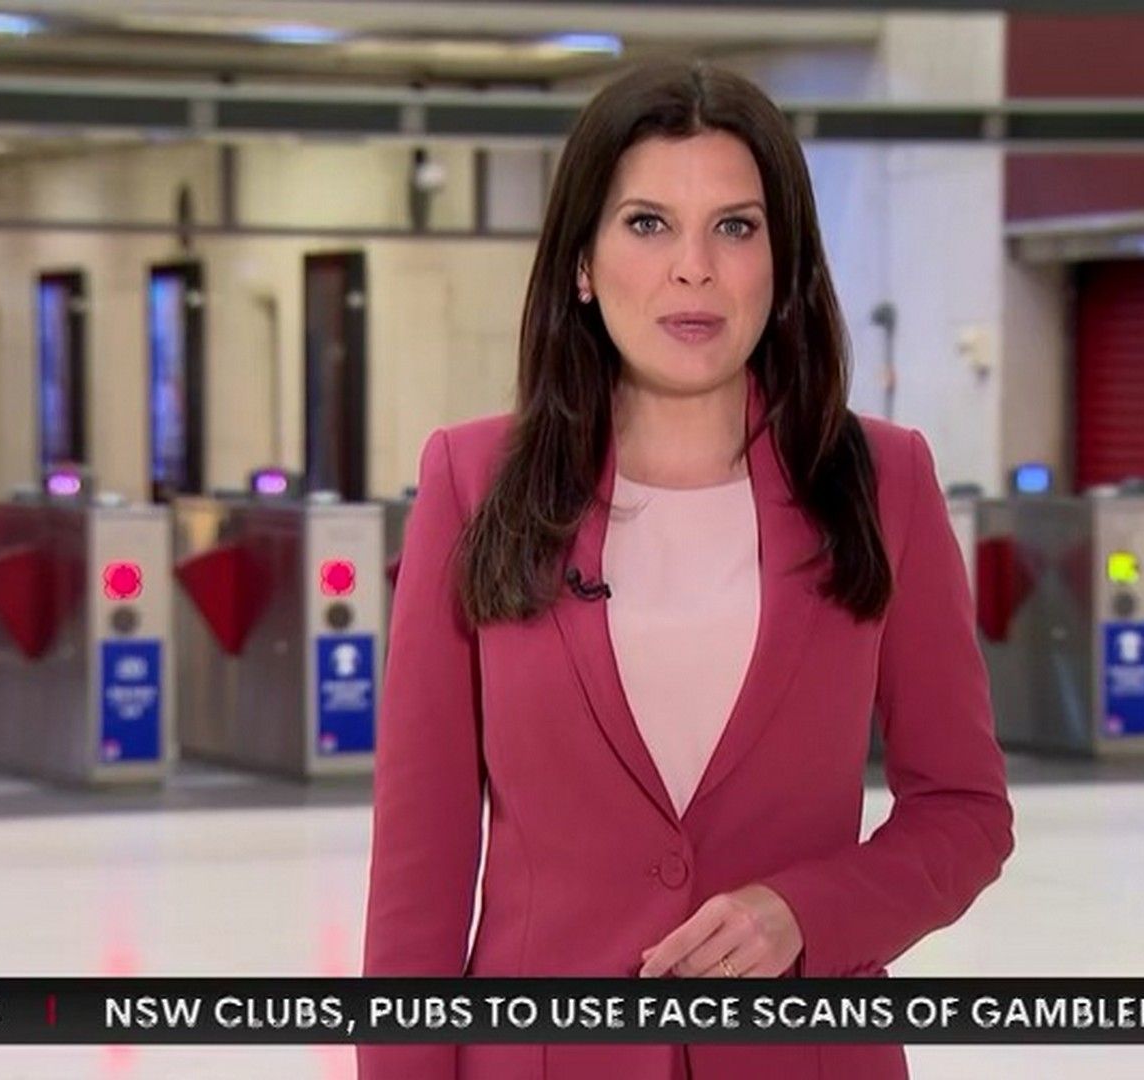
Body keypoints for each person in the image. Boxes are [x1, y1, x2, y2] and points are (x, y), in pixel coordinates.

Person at [362, 59, 1014, 1080]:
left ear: (783, 264)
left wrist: (806, 913)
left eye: (736, 227)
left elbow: (965, 812)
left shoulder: (886, 481)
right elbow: (420, 872)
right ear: (582, 264)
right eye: (648, 224)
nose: (694, 268)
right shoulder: (471, 481)